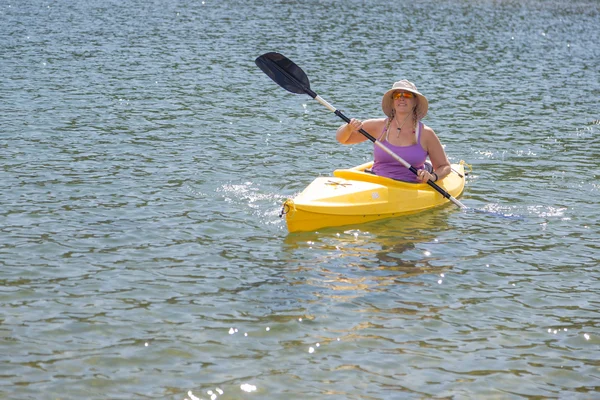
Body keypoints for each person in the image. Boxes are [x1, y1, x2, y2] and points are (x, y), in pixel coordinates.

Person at [336, 80, 451, 183]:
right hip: (377, 181)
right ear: (392, 102)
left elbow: (444, 166)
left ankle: (426, 168)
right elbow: (342, 139)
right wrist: (349, 127)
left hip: (408, 187)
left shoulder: (426, 133)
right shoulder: (378, 126)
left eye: (407, 95)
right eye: (397, 95)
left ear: (415, 102)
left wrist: (433, 177)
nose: (401, 98)